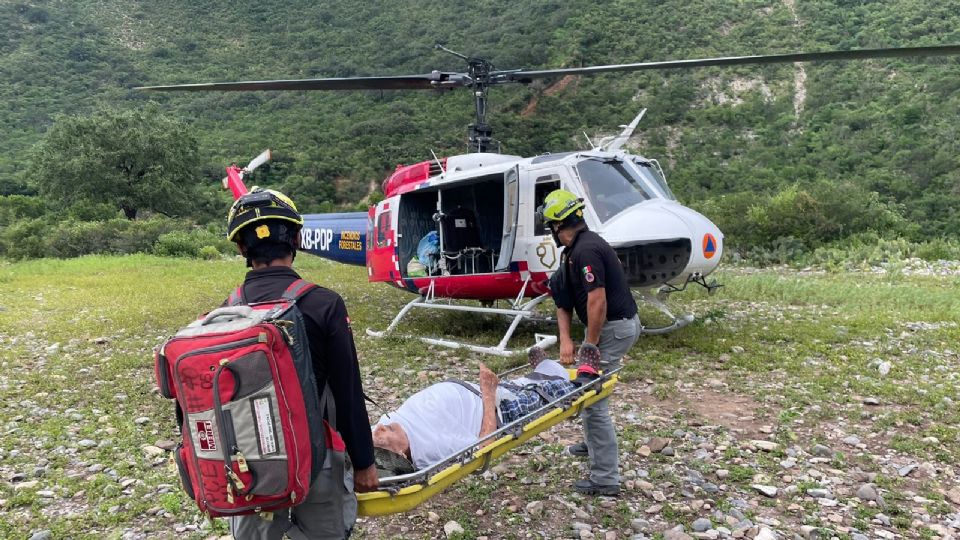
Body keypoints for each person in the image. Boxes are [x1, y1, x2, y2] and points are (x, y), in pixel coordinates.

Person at [224, 187, 379, 539]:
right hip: (316, 460)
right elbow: (347, 391)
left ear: (241, 248)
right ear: (296, 238)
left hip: (247, 466)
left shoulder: (225, 311)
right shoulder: (324, 304)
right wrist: (365, 462)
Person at [540, 188, 640, 496]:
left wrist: (590, 348)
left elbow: (598, 301)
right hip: (613, 327)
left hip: (613, 329)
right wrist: (567, 339)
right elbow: (563, 297)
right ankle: (593, 444)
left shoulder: (586, 251)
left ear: (558, 225)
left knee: (593, 400)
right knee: (588, 388)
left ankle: (606, 478)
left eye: (551, 227)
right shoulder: (575, 250)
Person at [372, 348, 601, 473]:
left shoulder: (378, 432)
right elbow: (484, 446)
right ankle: (585, 380)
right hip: (499, 412)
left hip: (478, 394)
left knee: (520, 383)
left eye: (380, 433)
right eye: (398, 455)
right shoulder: (431, 449)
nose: (380, 429)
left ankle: (546, 368)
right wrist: (488, 392)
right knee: (546, 396)